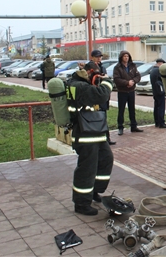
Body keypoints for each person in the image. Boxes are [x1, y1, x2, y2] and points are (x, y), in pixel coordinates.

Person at [67, 61, 114, 216]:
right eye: (94, 74)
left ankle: (94, 190)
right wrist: (107, 81)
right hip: (84, 132)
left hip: (96, 130)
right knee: (87, 168)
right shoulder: (78, 86)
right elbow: (101, 95)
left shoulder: (84, 84)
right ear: (87, 72)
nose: (96, 77)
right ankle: (81, 202)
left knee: (106, 159)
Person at [113, 50, 142, 135]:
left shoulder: (133, 66)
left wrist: (133, 81)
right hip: (122, 91)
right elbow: (116, 79)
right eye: (124, 56)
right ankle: (120, 127)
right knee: (121, 110)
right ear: (121, 57)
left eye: (127, 56)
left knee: (132, 109)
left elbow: (138, 76)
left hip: (131, 91)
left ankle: (133, 126)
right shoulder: (117, 67)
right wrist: (126, 83)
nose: (126, 58)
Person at [90, 49, 116, 145]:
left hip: (103, 96)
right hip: (93, 96)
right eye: (97, 57)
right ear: (92, 57)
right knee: (94, 118)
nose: (99, 59)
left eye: (100, 57)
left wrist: (105, 78)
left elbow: (107, 79)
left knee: (103, 117)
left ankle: (106, 138)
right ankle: (97, 138)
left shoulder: (102, 67)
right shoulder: (89, 68)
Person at [150, 58, 166, 128]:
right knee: (161, 107)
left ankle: (157, 122)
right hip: (160, 91)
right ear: (160, 63)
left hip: (155, 91)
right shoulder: (159, 71)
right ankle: (161, 123)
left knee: (156, 107)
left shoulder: (153, 70)